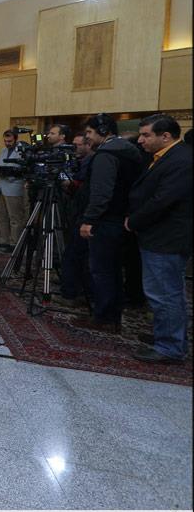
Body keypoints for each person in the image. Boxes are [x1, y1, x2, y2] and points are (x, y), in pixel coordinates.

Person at [127, 114, 192, 364]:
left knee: (165, 293)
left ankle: (170, 347)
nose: (140, 140)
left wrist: (134, 221)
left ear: (165, 136)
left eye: (146, 135)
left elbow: (162, 200)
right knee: (163, 291)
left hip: (166, 238)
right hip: (160, 236)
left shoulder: (181, 160)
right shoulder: (166, 156)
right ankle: (166, 336)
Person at [76, 113, 144, 332]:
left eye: (89, 132)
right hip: (122, 218)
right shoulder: (129, 151)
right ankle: (112, 315)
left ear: (103, 131)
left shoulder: (106, 154)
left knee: (102, 270)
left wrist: (89, 220)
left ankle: (104, 317)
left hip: (106, 221)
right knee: (114, 270)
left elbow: (101, 192)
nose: (87, 137)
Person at [58, 133, 93, 305]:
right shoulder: (78, 161)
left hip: (84, 212)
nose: (74, 148)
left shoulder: (90, 162)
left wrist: (71, 185)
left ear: (88, 145)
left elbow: (82, 186)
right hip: (75, 210)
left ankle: (73, 291)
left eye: (78, 145)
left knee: (75, 253)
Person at [0, 130, 27, 252]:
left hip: (14, 188)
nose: (7, 143)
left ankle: (14, 242)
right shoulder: (3, 151)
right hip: (1, 187)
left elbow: (23, 169)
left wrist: (10, 172)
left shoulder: (22, 151)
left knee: (15, 217)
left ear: (16, 139)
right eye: (5, 141)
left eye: (10, 141)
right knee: (0, 215)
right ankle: (2, 240)